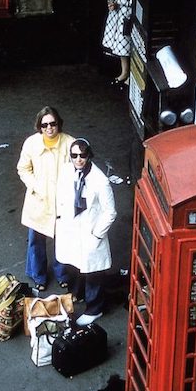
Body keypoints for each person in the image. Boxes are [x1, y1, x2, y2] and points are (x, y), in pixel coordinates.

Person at [55, 138, 117, 326]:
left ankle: (94, 308)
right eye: (74, 155)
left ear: (89, 155)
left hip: (91, 232)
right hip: (72, 229)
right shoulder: (67, 171)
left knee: (93, 273)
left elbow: (110, 212)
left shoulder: (100, 180)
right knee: (74, 265)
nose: (78, 159)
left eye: (82, 155)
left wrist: (97, 234)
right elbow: (62, 195)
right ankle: (77, 294)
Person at [17, 106, 74, 292]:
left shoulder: (69, 143)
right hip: (39, 202)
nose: (49, 128)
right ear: (39, 126)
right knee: (36, 241)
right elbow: (23, 168)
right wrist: (35, 186)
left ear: (59, 124)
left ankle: (62, 274)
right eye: (45, 125)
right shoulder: (31, 144)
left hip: (62, 203)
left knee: (63, 241)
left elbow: (79, 168)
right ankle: (38, 276)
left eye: (53, 124)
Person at [101, 0, 133, 85]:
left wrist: (122, 2)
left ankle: (130, 74)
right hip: (117, 13)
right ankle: (124, 72)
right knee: (121, 46)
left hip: (129, 12)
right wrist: (111, 1)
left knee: (127, 44)